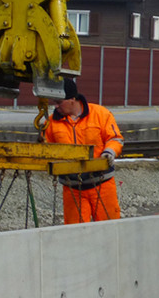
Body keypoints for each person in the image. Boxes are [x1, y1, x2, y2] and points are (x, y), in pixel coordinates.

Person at [44, 78, 123, 224]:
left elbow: (115, 138)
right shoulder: (51, 123)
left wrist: (109, 152)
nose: (55, 107)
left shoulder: (100, 114)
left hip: (102, 184)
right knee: (75, 234)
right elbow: (46, 149)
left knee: (111, 229)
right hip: (72, 188)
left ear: (72, 99)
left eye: (59, 102)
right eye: (54, 103)